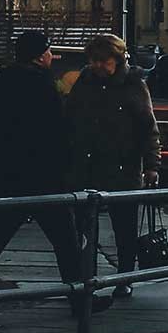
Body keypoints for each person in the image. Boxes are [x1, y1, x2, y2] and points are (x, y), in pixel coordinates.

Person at [65, 34, 160, 300]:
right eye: (93, 61)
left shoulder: (133, 84)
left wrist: (152, 165)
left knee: (125, 229)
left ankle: (125, 277)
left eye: (102, 61)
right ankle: (88, 278)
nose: (97, 66)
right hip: (87, 166)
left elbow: (147, 128)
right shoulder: (85, 81)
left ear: (117, 60)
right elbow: (70, 116)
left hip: (123, 167)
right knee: (83, 228)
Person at [0, 30, 83, 297]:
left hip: (8, 173)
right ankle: (80, 298)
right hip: (44, 176)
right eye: (47, 51)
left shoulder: (2, 80)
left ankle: (80, 296)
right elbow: (56, 132)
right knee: (66, 241)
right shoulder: (43, 85)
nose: (50, 55)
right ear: (38, 55)